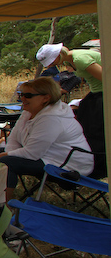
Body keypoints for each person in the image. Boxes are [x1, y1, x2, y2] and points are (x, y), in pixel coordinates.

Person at [0, 77, 93, 202]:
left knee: (7, 161)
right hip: (47, 156)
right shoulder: (30, 112)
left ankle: (3, 204)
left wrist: (6, 155)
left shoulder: (52, 119)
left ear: (46, 98)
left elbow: (32, 153)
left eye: (28, 95)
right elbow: (14, 138)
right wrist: (6, 153)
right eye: (21, 94)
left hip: (69, 166)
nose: (22, 98)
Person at [36, 42, 104, 173]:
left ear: (58, 55)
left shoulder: (80, 59)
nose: (51, 65)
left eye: (51, 61)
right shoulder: (72, 61)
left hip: (102, 93)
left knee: (94, 126)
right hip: (96, 92)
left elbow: (106, 77)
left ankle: (98, 162)